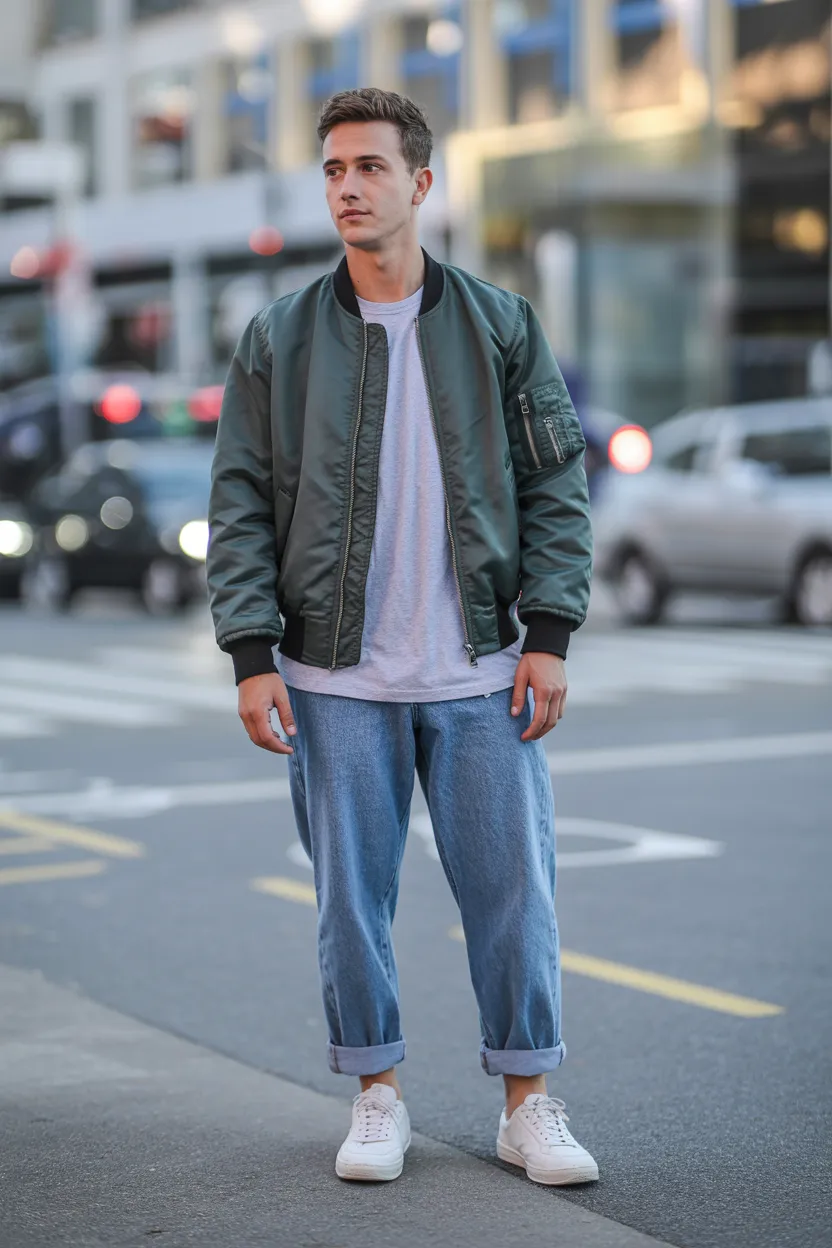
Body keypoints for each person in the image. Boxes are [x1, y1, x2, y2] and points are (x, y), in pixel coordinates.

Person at [207, 88, 597, 1188]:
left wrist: (550, 631)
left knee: (514, 897)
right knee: (349, 905)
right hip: (333, 676)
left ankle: (526, 1105)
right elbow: (238, 501)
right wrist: (250, 654)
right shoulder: (278, 337)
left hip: (480, 669)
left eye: (370, 167)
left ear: (421, 183)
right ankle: (376, 1094)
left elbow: (555, 484)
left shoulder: (499, 324)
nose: (348, 187)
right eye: (334, 169)